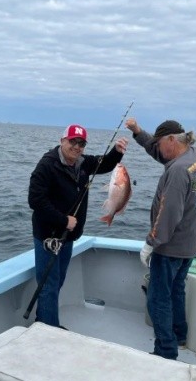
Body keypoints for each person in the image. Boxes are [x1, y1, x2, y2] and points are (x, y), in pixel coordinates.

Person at [28, 124, 128, 328]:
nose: (77, 147)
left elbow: (105, 164)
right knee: (49, 286)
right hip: (49, 236)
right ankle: (50, 332)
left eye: (81, 143)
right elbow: (35, 200)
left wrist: (116, 152)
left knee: (56, 283)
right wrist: (63, 220)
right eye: (73, 141)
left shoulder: (83, 163)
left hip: (68, 237)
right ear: (62, 140)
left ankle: (43, 322)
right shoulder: (47, 165)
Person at [125, 117, 196, 360]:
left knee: (158, 299)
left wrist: (151, 243)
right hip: (191, 242)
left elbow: (169, 213)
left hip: (171, 246)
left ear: (172, 140)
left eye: (160, 143)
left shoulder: (179, 171)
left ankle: (166, 351)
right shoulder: (193, 155)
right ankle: (180, 335)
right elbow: (159, 152)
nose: (158, 148)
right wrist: (139, 132)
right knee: (177, 289)